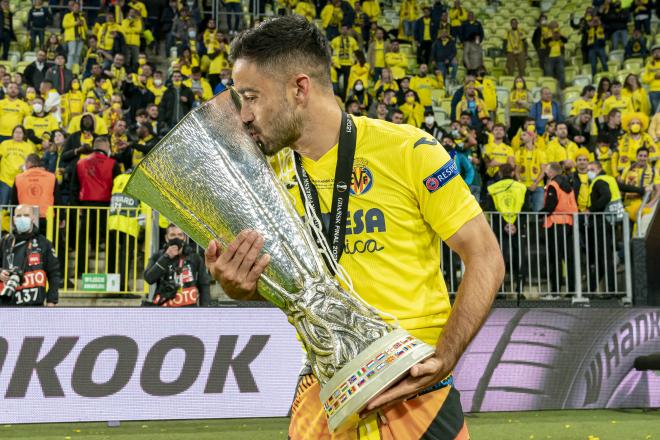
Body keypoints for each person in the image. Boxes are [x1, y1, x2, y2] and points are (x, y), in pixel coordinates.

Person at [208, 16, 504, 438]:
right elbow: (269, 284)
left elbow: (486, 256)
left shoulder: (409, 149)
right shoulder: (263, 181)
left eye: (252, 97)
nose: (246, 115)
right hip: (324, 387)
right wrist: (239, 285)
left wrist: (446, 355)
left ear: (299, 88)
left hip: (415, 384)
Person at [71, 136, 121, 275]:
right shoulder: (113, 163)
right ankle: (111, 273)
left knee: (83, 239)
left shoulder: (80, 163)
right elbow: (118, 187)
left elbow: (74, 188)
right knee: (110, 240)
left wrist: (77, 206)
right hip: (107, 206)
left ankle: (80, 270)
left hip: (86, 205)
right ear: (106, 147)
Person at [0, 205, 60, 306]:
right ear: (14, 219)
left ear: (33, 218)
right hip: (8, 305)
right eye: (18, 216)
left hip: (34, 305)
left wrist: (51, 300)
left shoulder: (44, 243)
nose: (22, 218)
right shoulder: (5, 242)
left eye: (26, 215)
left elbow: (54, 274)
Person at [486, 164, 528, 293]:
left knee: (499, 258)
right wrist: (516, 225)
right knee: (520, 257)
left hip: (499, 227)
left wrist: (503, 225)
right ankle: (520, 289)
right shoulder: (521, 188)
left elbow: (490, 209)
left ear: (499, 173)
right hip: (518, 227)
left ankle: (500, 290)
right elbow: (526, 208)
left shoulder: (492, 188)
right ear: (513, 173)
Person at [145, 224, 210, 307]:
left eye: (180, 235)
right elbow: (149, 278)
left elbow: (204, 284)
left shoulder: (194, 257)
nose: (176, 238)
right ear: (166, 237)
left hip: (189, 311)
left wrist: (204, 310)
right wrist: (166, 257)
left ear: (185, 238)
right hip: (164, 310)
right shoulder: (158, 256)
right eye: (172, 235)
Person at [11, 154, 59, 232]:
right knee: (46, 243)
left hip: (25, 218)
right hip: (47, 217)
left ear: (28, 163)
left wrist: (13, 218)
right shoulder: (52, 177)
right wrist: (61, 217)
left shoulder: (18, 178)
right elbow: (57, 199)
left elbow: (14, 201)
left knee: (27, 243)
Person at [620, 146, 659, 221]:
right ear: (636, 156)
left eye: (645, 156)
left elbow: (659, 191)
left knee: (641, 232)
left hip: (643, 208)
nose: (642, 158)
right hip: (627, 206)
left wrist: (650, 204)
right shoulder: (627, 169)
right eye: (640, 156)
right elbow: (621, 187)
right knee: (628, 231)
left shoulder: (653, 171)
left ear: (648, 157)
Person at [0, 126, 35, 205]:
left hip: (21, 179)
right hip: (4, 179)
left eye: (20, 133)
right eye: (16, 132)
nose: (18, 134)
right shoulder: (4, 144)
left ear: (24, 135)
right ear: (12, 134)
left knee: (18, 204)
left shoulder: (28, 146)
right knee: (3, 203)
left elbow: (31, 161)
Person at [516, 130, 547, 212]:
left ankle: (538, 225)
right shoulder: (519, 152)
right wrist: (520, 183)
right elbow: (517, 171)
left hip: (538, 186)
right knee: (523, 210)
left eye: (524, 135)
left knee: (538, 211)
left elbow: (543, 170)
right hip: (523, 186)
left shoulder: (540, 153)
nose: (521, 137)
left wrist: (535, 183)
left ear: (531, 137)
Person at [62, 1, 87, 70]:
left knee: (78, 55)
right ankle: (68, 68)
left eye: (78, 7)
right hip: (71, 37)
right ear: (72, 7)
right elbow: (64, 25)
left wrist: (83, 24)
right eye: (75, 7)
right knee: (72, 53)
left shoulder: (82, 17)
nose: (76, 8)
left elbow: (86, 29)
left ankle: (75, 69)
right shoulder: (67, 16)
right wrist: (75, 23)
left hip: (80, 37)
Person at [641, 45, 660, 112]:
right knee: (657, 113)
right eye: (655, 52)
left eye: (659, 51)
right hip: (654, 91)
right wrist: (654, 77)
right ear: (652, 54)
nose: (657, 53)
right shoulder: (649, 65)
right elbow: (644, 79)